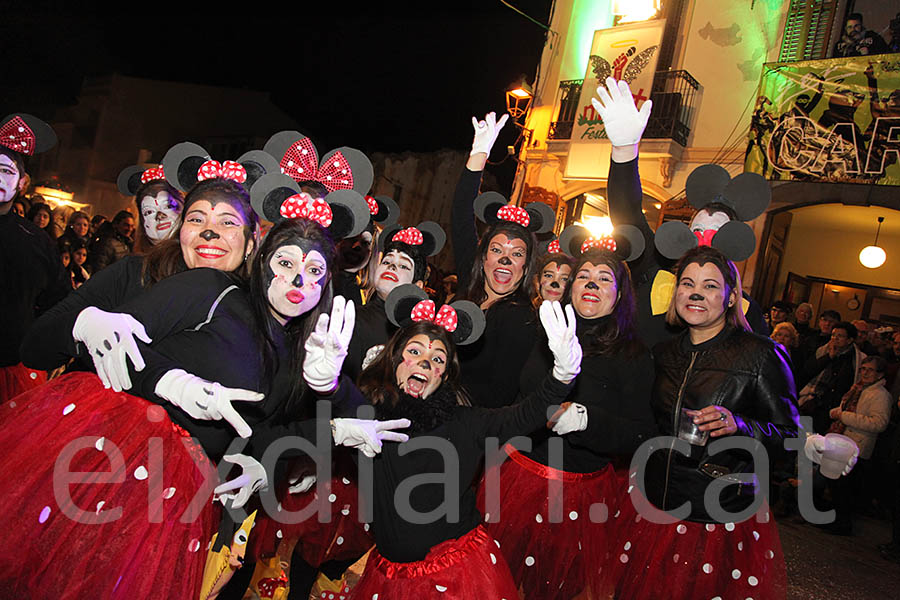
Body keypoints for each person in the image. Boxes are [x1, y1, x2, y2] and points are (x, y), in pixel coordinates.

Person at [1, 214, 406, 599]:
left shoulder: (306, 351)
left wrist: (328, 389)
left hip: (175, 500)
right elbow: (106, 349)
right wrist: (174, 383)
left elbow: (270, 432)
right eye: (285, 262)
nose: (298, 279)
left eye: (315, 272)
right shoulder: (212, 290)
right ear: (262, 260)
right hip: (105, 460)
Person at [348, 294, 582, 598]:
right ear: (394, 361)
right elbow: (320, 419)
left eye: (437, 360)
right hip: (390, 574)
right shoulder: (364, 419)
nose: (424, 362)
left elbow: (522, 416)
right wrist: (325, 386)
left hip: (455, 575)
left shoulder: (465, 423)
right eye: (415, 351)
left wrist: (561, 377)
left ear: (443, 377)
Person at [611, 245, 799, 599]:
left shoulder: (761, 354)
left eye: (711, 286)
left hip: (716, 517)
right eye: (687, 283)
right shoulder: (663, 354)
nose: (696, 293)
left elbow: (792, 439)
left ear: (730, 298)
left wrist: (740, 426)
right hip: (653, 508)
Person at [480, 247, 655, 599]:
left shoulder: (632, 354)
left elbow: (641, 433)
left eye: (604, 278)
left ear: (619, 294)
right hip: (515, 476)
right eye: (584, 276)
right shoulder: (546, 332)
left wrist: (587, 421)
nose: (592, 283)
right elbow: (512, 393)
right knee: (491, 580)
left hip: (577, 495)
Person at [594, 77, 769, 348]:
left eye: (715, 234)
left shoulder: (748, 313)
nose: (703, 243)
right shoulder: (654, 269)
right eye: (697, 231)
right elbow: (627, 214)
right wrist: (625, 149)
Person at [452, 112, 554, 407]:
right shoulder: (468, 283)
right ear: (482, 257)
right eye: (497, 250)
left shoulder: (521, 317)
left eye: (516, 254)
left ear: (525, 268)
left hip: (469, 429)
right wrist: (479, 155)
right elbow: (460, 213)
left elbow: (502, 392)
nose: (506, 260)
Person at [0, 112, 68, 403]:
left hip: (12, 371)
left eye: (5, 171)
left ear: (22, 183)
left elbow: (59, 300)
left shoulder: (37, 241)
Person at [344, 222, 443, 380]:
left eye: (403, 266)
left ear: (417, 286)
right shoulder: (351, 317)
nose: (392, 266)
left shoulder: (419, 334)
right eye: (387, 261)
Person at [819, 356, 892, 535]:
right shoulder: (857, 388)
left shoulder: (881, 395)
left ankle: (842, 523)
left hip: (856, 445)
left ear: (879, 374)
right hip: (842, 440)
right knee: (836, 485)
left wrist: (844, 416)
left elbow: (879, 423)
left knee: (844, 488)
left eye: (870, 370)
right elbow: (844, 408)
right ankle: (834, 519)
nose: (865, 373)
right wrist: (836, 413)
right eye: (863, 369)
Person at [798, 321, 864, 433]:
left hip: (834, 408)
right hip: (813, 401)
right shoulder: (823, 350)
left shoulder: (857, 359)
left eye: (840, 336)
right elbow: (807, 371)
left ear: (849, 340)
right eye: (833, 335)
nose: (835, 338)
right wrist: (829, 357)